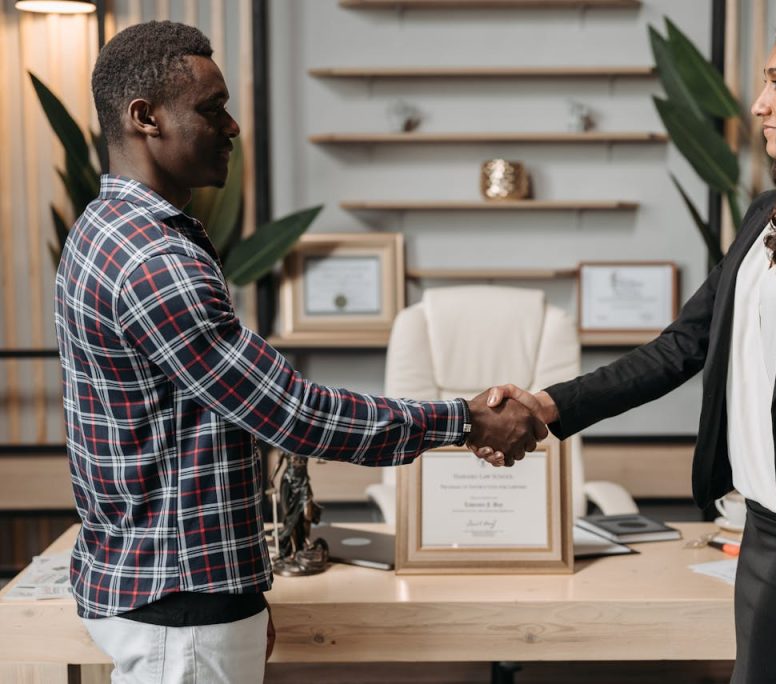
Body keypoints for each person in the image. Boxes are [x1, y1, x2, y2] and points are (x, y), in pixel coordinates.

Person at [54, 21, 544, 683]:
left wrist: (241, 597)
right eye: (211, 109)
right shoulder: (154, 260)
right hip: (182, 605)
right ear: (145, 118)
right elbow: (292, 413)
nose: (231, 128)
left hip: (174, 589)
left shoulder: (105, 229)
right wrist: (466, 419)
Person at [481, 9, 776, 684]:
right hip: (758, 526)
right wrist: (546, 406)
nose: (761, 104)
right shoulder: (772, 214)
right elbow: (681, 346)